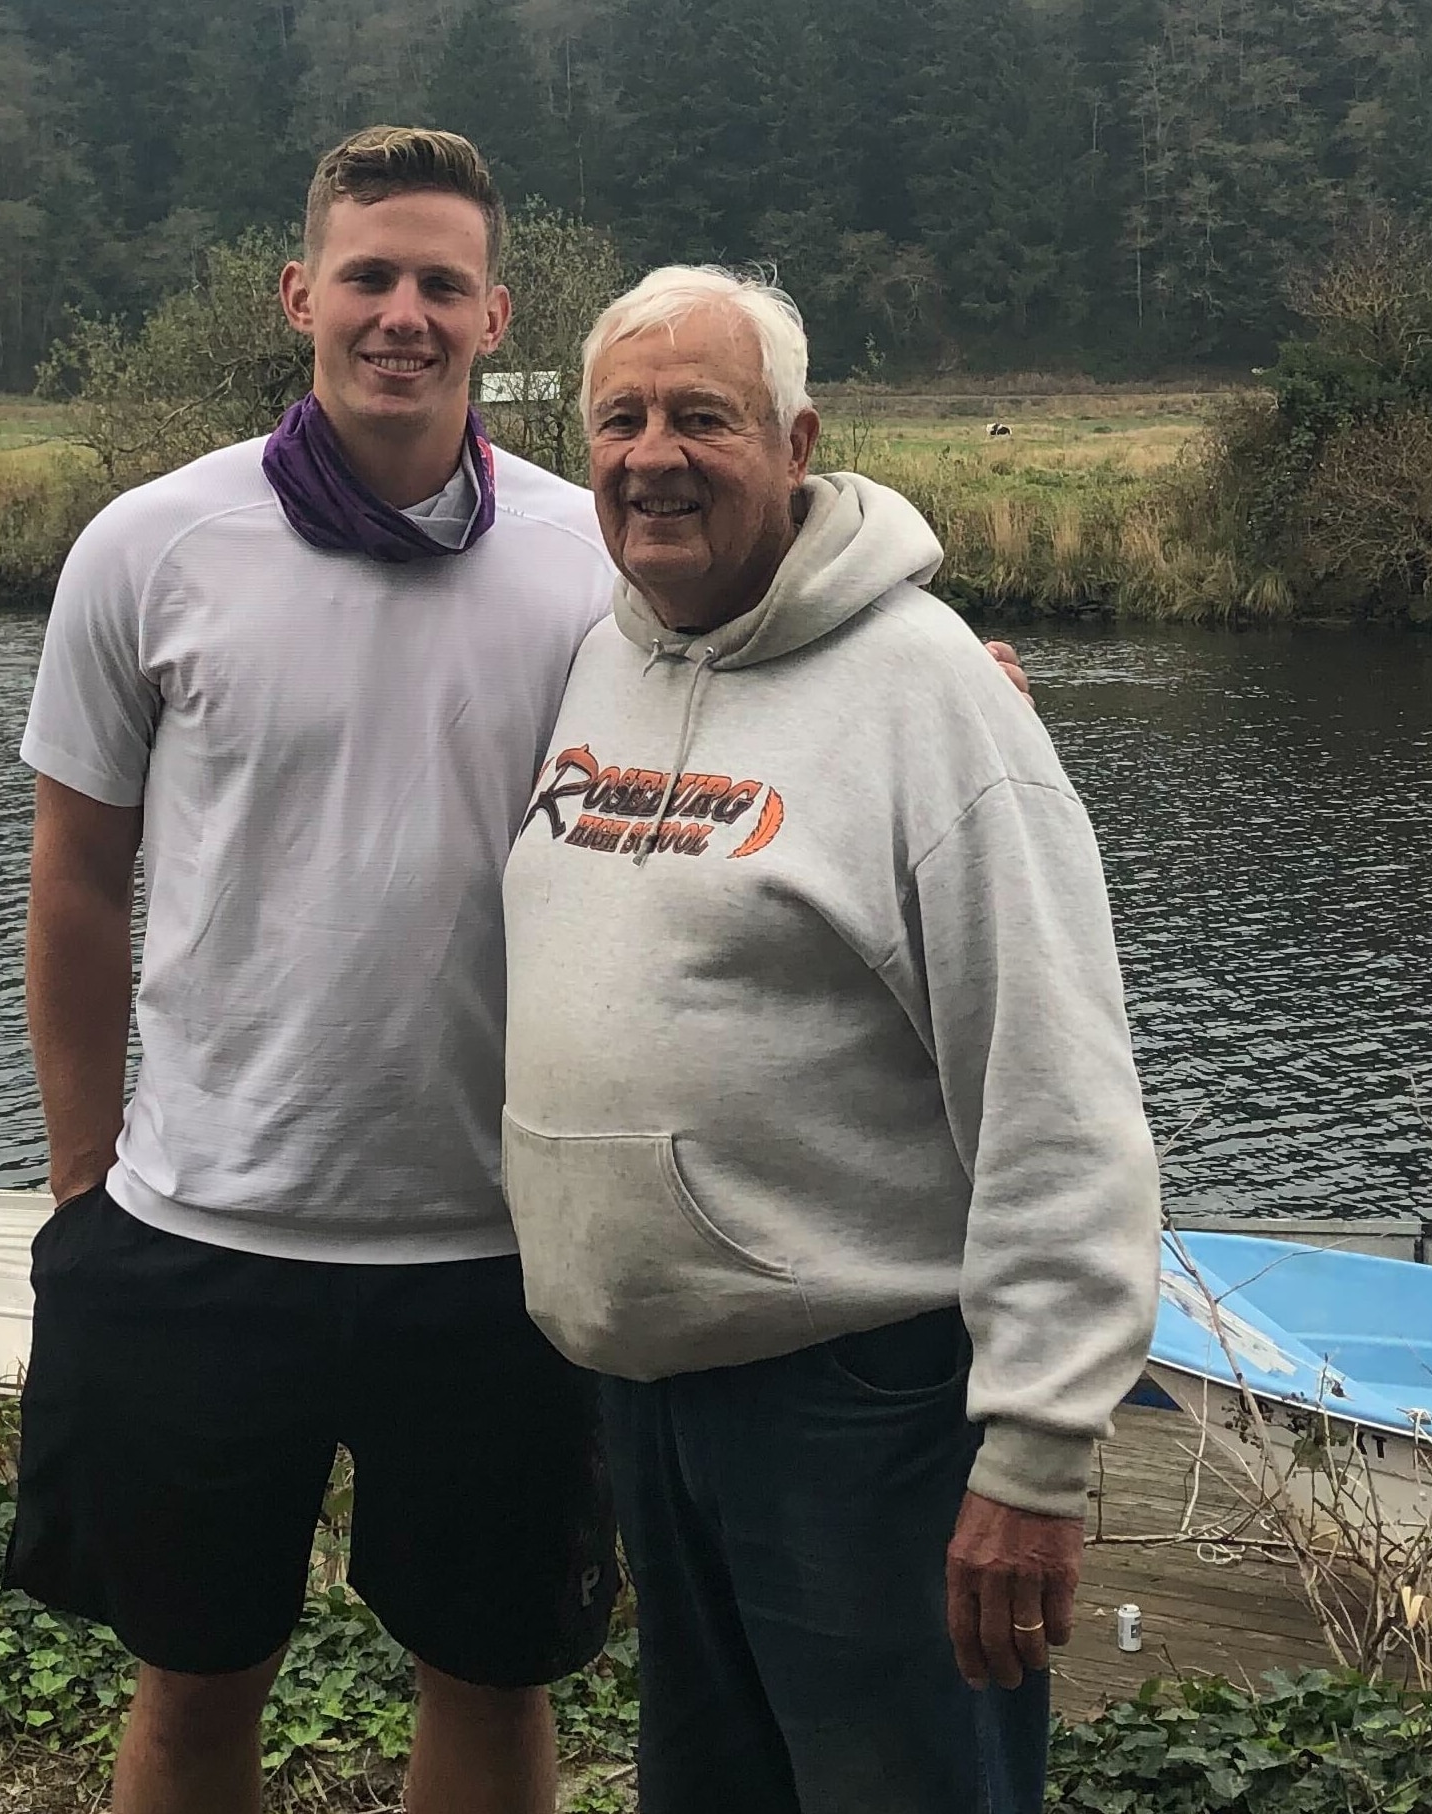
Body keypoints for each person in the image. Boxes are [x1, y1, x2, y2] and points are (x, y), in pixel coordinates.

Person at [11, 129, 1033, 1814]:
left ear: (496, 316)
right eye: (367, 277)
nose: (400, 315)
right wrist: (80, 1178)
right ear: (300, 297)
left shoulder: (592, 556)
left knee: (490, 1687)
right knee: (194, 1687)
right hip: (201, 1231)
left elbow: (768, 659)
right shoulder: (147, 548)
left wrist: (943, 671)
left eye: (438, 285)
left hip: (503, 1259)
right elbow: (77, 881)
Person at [500, 266, 1161, 1814]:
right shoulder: (607, 651)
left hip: (862, 1408)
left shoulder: (931, 698)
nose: (653, 454)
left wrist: (1037, 1453)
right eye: (623, 418)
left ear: (798, 445)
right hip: (653, 1397)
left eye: (703, 419)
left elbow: (1056, 1090)